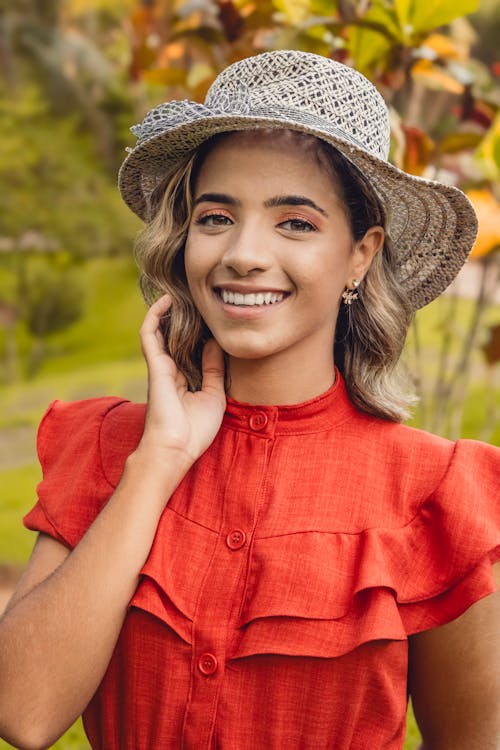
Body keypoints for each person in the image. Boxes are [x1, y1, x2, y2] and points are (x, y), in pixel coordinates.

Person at [0, 50, 499, 750]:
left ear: (360, 253)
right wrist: (160, 461)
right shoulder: (109, 448)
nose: (243, 254)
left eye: (294, 222)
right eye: (216, 217)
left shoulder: (434, 494)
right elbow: (22, 712)